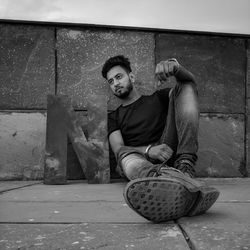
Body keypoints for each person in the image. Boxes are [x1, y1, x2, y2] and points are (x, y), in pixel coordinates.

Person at [102, 55, 219, 223]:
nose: (115, 84)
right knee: (125, 158)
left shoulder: (157, 98)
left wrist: (176, 69)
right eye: (111, 81)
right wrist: (149, 150)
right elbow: (119, 149)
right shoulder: (114, 116)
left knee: (185, 86)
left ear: (132, 77)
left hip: (168, 150)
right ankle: (167, 180)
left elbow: (190, 84)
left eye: (119, 77)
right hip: (140, 161)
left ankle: (185, 167)